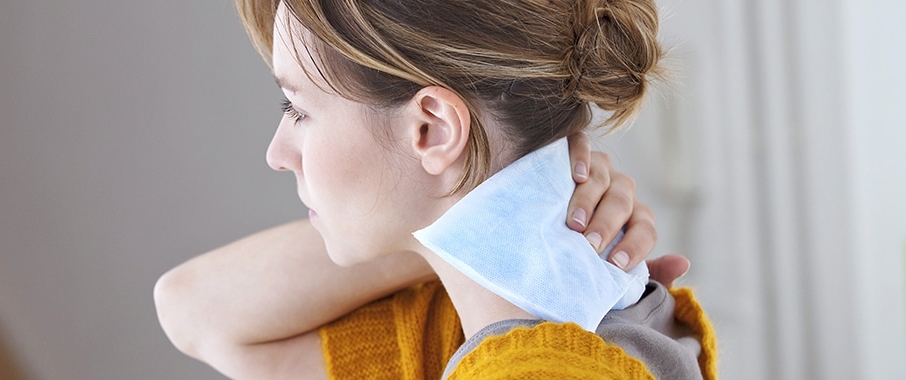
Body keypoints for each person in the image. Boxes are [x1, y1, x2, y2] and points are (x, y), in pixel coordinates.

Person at [155, 0, 717, 378]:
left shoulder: (531, 363)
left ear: (433, 130)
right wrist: (469, 240)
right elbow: (191, 307)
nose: (277, 154)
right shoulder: (605, 318)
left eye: (297, 109)